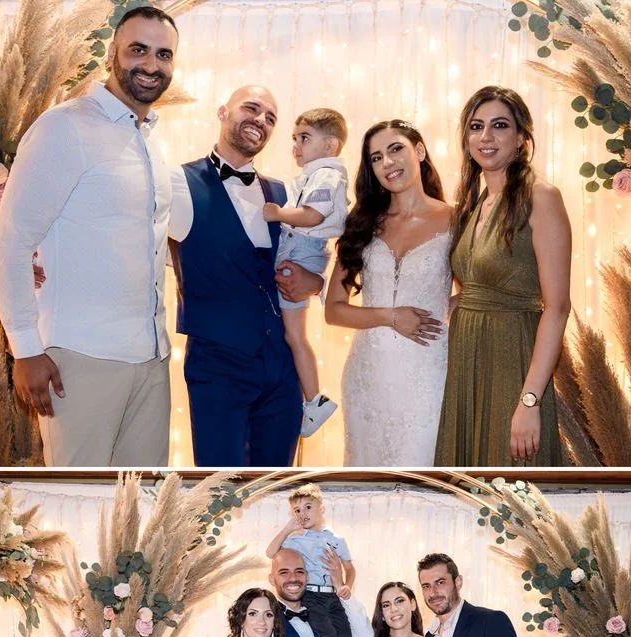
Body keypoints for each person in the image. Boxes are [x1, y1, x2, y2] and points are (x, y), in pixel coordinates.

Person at [0, 4, 181, 466]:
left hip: (152, 361)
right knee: (83, 497)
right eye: (138, 50)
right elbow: (12, 240)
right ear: (113, 54)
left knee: (141, 507)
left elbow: (159, 239)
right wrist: (26, 349)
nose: (151, 65)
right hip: (78, 358)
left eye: (163, 54)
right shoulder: (65, 127)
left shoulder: (154, 142)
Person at [172, 85, 327, 467]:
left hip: (282, 371)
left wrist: (318, 283)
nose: (261, 120)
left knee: (275, 483)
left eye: (270, 117)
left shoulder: (286, 193)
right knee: (217, 484)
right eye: (252, 108)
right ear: (223, 111)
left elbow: (313, 256)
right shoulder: (177, 183)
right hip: (217, 366)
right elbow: (135, 244)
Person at [438, 86, 573, 466]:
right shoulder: (473, 202)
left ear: (520, 137)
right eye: (476, 127)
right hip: (468, 361)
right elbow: (478, 289)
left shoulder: (541, 196)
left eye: (499, 126)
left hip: (514, 360)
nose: (486, 137)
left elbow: (558, 308)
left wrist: (529, 400)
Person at [323, 120, 454, 467]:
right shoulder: (363, 222)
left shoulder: (457, 219)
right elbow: (333, 310)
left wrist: (444, 309)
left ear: (420, 152)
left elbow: (478, 290)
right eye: (376, 157)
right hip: (367, 376)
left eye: (396, 149)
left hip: (428, 373)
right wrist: (391, 316)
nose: (387, 163)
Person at [265, 107, 353, 437]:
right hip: (302, 247)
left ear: (331, 145)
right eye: (294, 139)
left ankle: (314, 401)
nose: (296, 146)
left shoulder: (327, 174)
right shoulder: (316, 173)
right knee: (293, 334)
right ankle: (312, 400)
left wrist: (277, 214)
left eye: (305, 138)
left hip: (303, 248)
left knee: (295, 335)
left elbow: (313, 215)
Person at [269, 485, 362, 637]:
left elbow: (349, 567)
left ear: (322, 509)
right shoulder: (294, 540)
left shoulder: (337, 540)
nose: (303, 514)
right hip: (311, 595)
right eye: (297, 510)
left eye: (308, 507)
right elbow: (270, 552)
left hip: (332, 594)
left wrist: (345, 585)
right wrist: (287, 528)